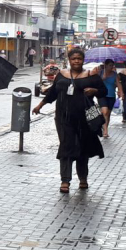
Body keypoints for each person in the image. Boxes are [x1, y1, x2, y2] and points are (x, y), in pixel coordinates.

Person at [33, 47, 105, 193]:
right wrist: (40, 105)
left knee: (82, 148)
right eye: (74, 59)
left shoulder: (91, 76)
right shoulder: (62, 75)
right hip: (63, 119)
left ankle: (83, 178)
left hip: (85, 119)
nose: (76, 61)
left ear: (83, 60)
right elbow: (53, 93)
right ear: (69, 60)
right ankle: (65, 180)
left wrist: (94, 91)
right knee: (66, 146)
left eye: (79, 58)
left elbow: (104, 91)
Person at [98, 59, 118, 139]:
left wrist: (121, 91)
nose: (111, 67)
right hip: (102, 95)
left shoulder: (115, 74)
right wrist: (103, 78)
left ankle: (105, 128)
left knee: (108, 114)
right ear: (105, 65)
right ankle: (105, 131)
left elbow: (118, 84)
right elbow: (96, 83)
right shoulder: (100, 73)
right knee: (105, 112)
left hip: (111, 95)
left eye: (112, 65)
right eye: (110, 65)